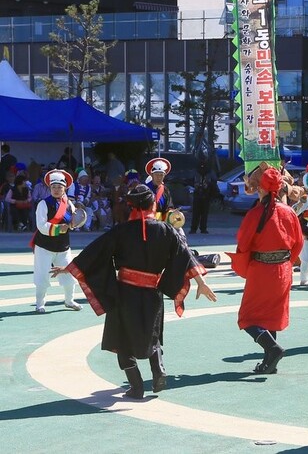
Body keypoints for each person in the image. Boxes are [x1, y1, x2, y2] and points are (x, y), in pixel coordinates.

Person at [53, 184, 217, 399]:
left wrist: (68, 267)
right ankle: (158, 370)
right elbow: (184, 256)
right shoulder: (167, 230)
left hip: (125, 292)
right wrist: (200, 282)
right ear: (152, 204)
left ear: (131, 205)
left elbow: (95, 252)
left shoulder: (121, 231)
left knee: (121, 338)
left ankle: (136, 387)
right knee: (152, 334)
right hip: (152, 292)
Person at [228, 165, 304, 374]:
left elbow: (243, 243)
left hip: (261, 270)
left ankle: (272, 349)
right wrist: (286, 262)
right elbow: (298, 243)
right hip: (283, 269)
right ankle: (270, 362)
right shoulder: (289, 212)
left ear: (261, 188)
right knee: (272, 316)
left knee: (247, 317)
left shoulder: (255, 213)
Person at [31, 169, 82, 313]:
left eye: (59, 187)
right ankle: (40, 304)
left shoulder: (69, 204)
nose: (56, 189)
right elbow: (41, 226)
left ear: (65, 188)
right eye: (53, 187)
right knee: (42, 275)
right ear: (50, 188)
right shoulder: (43, 204)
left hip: (63, 246)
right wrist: (59, 228)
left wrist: (77, 222)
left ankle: (69, 300)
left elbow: (74, 220)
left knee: (69, 274)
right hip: (44, 246)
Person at [190, 158, 217, 234]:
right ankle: (200, 228)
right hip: (201, 194)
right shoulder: (208, 171)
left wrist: (207, 185)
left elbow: (214, 182)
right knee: (201, 213)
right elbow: (214, 181)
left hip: (204, 194)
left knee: (199, 213)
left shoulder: (198, 171)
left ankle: (196, 228)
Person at [144, 157, 173, 222]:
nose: (159, 178)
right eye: (156, 175)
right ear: (152, 175)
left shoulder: (165, 190)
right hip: (146, 221)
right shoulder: (144, 189)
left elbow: (169, 206)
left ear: (164, 176)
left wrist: (172, 212)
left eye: (161, 175)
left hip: (161, 222)